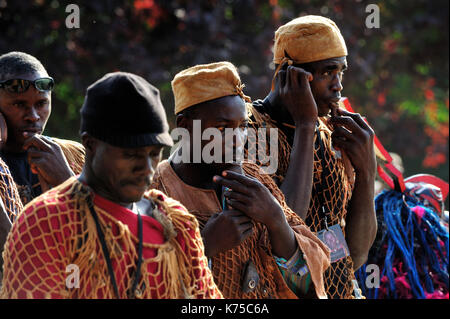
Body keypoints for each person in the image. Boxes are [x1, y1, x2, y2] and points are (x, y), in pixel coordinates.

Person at [0, 72, 222, 299]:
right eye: (130, 154)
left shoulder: (175, 223)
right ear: (91, 144)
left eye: (154, 154)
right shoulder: (46, 222)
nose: (146, 168)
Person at [151, 61, 330, 299]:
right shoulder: (156, 193)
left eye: (242, 126)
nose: (237, 139)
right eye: (223, 127)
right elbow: (141, 282)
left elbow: (307, 285)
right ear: (184, 126)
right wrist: (204, 247)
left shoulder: (255, 178)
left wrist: (276, 221)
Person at [247, 15, 377, 298]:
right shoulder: (251, 129)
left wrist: (367, 172)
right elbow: (283, 231)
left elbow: (356, 255)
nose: (338, 86)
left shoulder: (329, 133)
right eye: (328, 72)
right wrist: (305, 126)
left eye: (341, 72)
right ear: (290, 75)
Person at [0, 51, 85, 212]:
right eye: (19, 104)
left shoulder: (71, 156)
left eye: (41, 104)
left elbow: (104, 225)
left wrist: (66, 179)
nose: (33, 116)